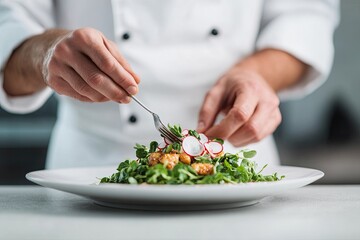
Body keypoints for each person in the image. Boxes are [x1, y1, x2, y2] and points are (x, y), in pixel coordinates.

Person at [0, 0, 339, 168]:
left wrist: (257, 74)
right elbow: (8, 24)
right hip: (90, 167)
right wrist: (44, 54)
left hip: (236, 169)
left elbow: (305, 18)